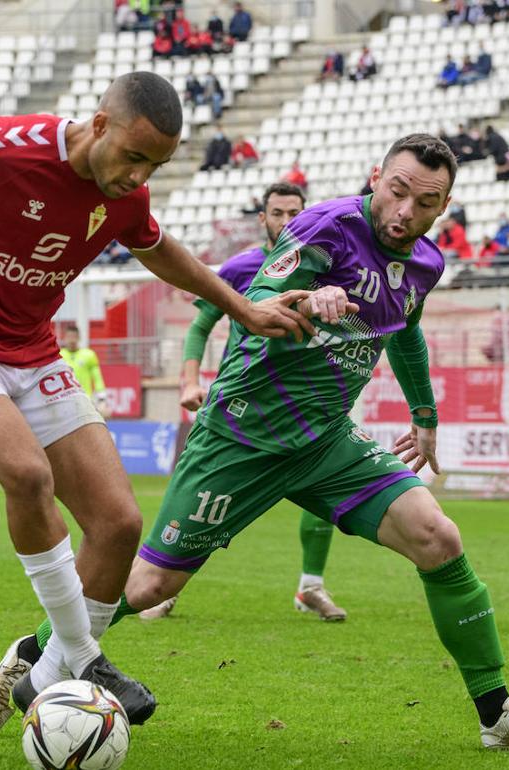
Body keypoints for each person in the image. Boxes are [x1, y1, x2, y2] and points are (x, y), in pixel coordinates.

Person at [4, 134, 509, 750]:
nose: (404, 212)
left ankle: (498, 714)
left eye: (425, 202)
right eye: (397, 191)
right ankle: (30, 653)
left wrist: (424, 413)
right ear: (376, 178)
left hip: (325, 440)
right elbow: (251, 301)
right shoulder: (324, 228)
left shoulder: (427, 264)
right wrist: (311, 295)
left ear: (444, 207)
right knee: (149, 587)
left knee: (438, 537)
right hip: (242, 435)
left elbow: (405, 329)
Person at [0, 72, 312, 733]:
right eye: (133, 156)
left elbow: (158, 249)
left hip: (32, 352)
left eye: (154, 165)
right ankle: (86, 658)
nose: (138, 176)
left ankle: (40, 673)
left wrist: (242, 308)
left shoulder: (124, 195)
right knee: (27, 473)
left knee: (119, 524)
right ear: (99, 125)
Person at [143, 182, 348, 622]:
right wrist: (189, 381)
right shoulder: (244, 266)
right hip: (240, 404)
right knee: (202, 502)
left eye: (294, 211)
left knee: (328, 493)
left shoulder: (326, 268)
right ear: (263, 218)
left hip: (305, 403)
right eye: (277, 212)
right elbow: (201, 326)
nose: (286, 220)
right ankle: (163, 580)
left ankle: (312, 585)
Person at [58, 326, 109, 415]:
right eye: (69, 337)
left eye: (74, 337)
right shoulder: (59, 356)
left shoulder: (89, 355)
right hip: (65, 401)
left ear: (79, 338)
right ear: (65, 338)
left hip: (85, 400)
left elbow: (97, 378)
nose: (72, 340)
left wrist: (102, 399)